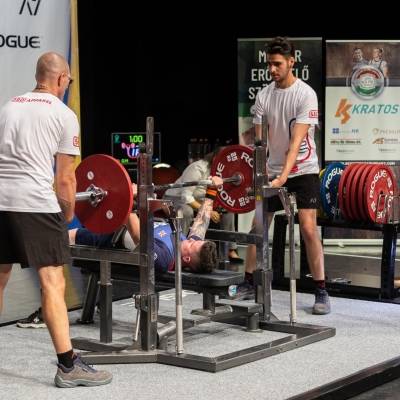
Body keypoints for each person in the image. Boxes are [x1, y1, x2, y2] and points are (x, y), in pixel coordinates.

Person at [0, 52, 112, 387]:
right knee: (53, 282)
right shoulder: (63, 114)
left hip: (1, 200)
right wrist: (68, 214)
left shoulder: (9, 106)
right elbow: (65, 179)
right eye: (68, 81)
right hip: (35, 203)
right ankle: (67, 365)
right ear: (62, 78)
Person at [236, 37, 330, 315]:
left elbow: (295, 144)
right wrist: (261, 174)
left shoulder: (306, 95)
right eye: (269, 64)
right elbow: (259, 144)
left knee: (308, 228)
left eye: (277, 64)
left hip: (303, 169)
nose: (272, 69)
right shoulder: (264, 96)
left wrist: (282, 179)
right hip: (274, 170)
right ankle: (248, 282)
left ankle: (321, 290)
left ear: (291, 62)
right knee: (258, 227)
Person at [163, 148, 243, 264]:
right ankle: (180, 249)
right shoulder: (198, 168)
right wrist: (209, 212)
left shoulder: (226, 172)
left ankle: (229, 251)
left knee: (227, 211)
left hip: (201, 201)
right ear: (215, 158)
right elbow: (186, 197)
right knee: (186, 211)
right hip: (175, 198)